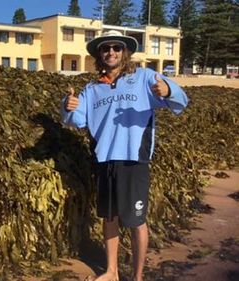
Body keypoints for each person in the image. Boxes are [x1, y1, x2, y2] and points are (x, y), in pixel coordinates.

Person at [61, 30, 188, 281]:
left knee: (135, 220)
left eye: (116, 48)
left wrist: (168, 91)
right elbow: (75, 120)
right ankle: (112, 271)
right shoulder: (92, 88)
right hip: (105, 160)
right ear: (99, 54)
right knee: (110, 217)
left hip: (134, 159)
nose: (111, 52)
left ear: (125, 52)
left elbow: (181, 103)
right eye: (106, 48)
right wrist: (67, 106)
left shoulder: (144, 78)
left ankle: (138, 276)